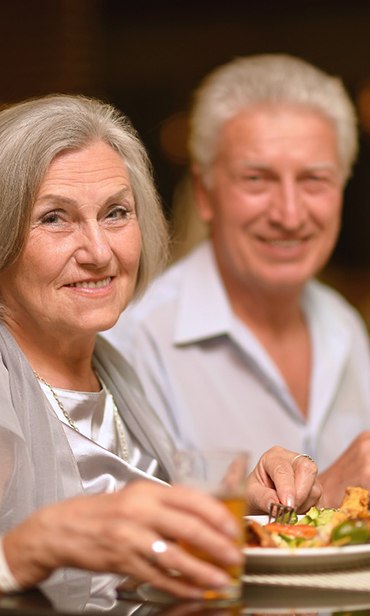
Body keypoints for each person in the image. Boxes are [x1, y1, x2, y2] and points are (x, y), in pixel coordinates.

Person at [0, 94, 321, 616]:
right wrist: (22, 554)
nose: (99, 251)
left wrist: (234, 498)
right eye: (55, 219)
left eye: (115, 213)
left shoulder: (108, 366)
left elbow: (125, 552)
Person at [105, 54, 370, 508]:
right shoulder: (135, 340)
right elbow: (124, 560)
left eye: (314, 180)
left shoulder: (343, 323)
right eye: (256, 179)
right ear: (205, 194)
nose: (289, 214)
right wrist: (330, 495)